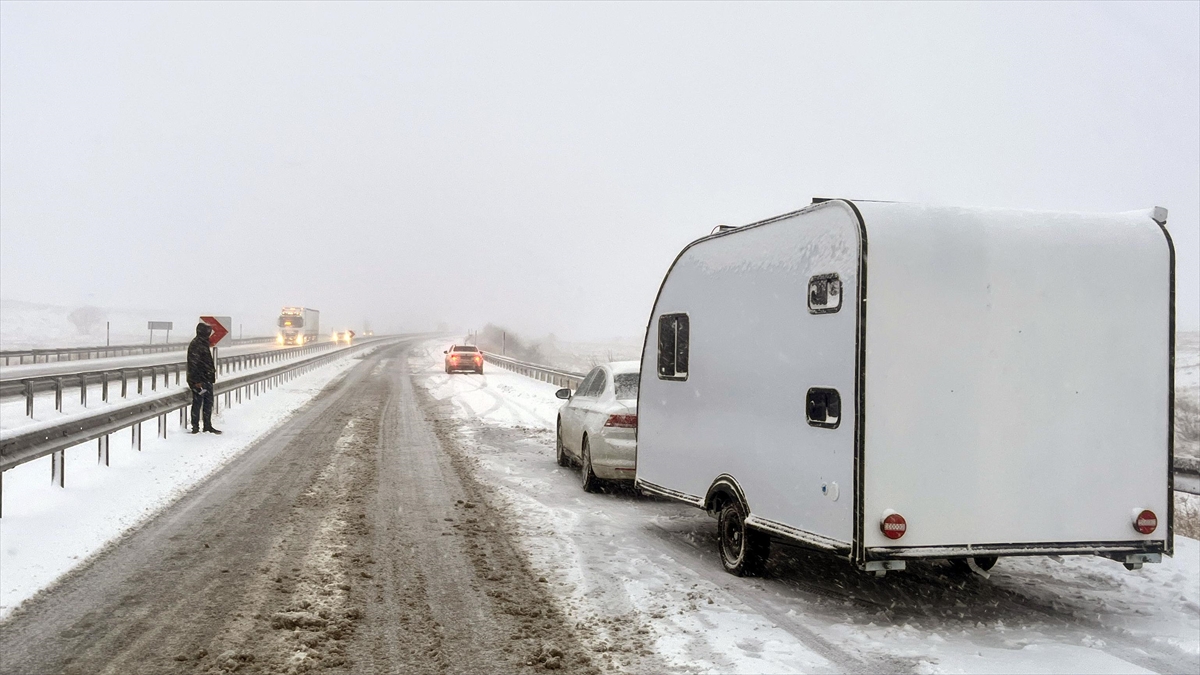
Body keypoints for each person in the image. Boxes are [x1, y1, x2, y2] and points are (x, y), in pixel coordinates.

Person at [187, 322, 221, 434]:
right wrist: (196, 381)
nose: (210, 333)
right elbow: (194, 364)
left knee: (208, 403)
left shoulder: (203, 343)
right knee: (197, 403)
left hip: (206, 379)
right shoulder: (196, 344)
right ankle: (195, 427)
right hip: (199, 381)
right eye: (208, 332)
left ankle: (207, 426)